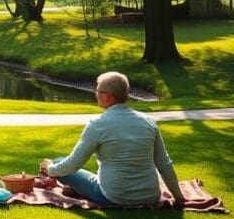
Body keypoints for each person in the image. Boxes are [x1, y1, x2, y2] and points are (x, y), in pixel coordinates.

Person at [39, 71, 185, 207]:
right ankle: (77, 189)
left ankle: (77, 189)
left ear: (108, 96)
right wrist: (179, 197)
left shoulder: (97, 125)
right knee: (67, 168)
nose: (95, 94)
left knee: (59, 162)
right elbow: (164, 163)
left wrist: (50, 169)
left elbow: (74, 163)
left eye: (98, 91)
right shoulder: (148, 122)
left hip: (113, 197)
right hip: (151, 196)